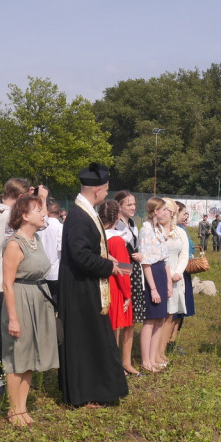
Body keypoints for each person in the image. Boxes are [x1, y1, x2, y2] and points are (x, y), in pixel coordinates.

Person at [58, 163, 129, 407]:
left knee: (94, 338)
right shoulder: (79, 216)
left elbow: (90, 248)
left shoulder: (85, 211)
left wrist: (104, 256)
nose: (108, 194)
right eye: (107, 189)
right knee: (83, 341)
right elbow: (79, 255)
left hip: (88, 286)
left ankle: (97, 389)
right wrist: (108, 267)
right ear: (97, 190)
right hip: (79, 290)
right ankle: (83, 393)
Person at [1, 193, 59, 426]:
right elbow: (7, 284)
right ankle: (14, 410)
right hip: (21, 300)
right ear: (25, 215)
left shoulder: (36, 240)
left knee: (32, 355)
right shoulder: (14, 244)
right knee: (18, 355)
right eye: (37, 210)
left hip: (39, 299)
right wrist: (13, 319)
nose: (43, 214)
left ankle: (22, 407)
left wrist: (41, 197)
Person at [0, 178, 33, 396]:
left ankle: (3, 375)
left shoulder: (4, 213)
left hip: (9, 282)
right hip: (1, 283)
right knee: (1, 334)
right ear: (19, 197)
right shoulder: (1, 214)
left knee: (7, 333)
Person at [109, 190, 144, 374]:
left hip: (134, 272)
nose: (133, 207)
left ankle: (126, 361)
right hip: (120, 274)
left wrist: (140, 255)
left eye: (134, 204)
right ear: (119, 206)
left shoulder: (132, 224)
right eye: (129, 204)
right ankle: (114, 361)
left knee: (131, 321)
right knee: (116, 321)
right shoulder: (114, 227)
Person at [99, 200, 133, 374]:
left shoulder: (98, 236)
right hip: (115, 287)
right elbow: (123, 270)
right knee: (114, 330)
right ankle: (113, 366)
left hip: (99, 284)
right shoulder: (117, 240)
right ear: (117, 217)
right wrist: (127, 294)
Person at [139, 197, 173, 372]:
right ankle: (146, 361)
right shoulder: (145, 230)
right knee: (150, 320)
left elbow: (165, 259)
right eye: (163, 209)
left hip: (161, 273)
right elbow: (145, 262)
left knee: (160, 319)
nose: (166, 212)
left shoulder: (158, 229)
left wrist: (168, 283)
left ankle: (153, 359)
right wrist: (152, 288)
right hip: (151, 274)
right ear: (155, 212)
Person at [161, 201, 195, 360]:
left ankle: (164, 348)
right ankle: (158, 350)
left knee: (174, 312)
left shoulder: (180, 232)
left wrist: (177, 272)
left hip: (178, 275)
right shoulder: (156, 230)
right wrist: (171, 273)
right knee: (162, 315)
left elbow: (184, 254)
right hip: (163, 274)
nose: (185, 216)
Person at [37, 201, 62, 308]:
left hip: (41, 269)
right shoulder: (60, 227)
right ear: (60, 213)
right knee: (55, 299)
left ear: (47, 212)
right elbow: (61, 247)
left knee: (42, 300)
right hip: (55, 270)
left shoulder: (41, 226)